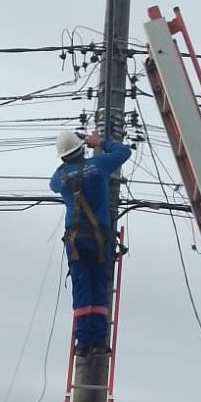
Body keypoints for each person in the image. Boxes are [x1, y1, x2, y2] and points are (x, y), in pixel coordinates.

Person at [50, 126, 131, 355]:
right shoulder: (99, 166)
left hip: (75, 241)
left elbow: (53, 184)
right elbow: (124, 152)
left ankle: (83, 343)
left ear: (63, 156)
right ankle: (98, 342)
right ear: (81, 147)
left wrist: (69, 161)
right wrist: (99, 142)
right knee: (99, 289)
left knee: (83, 290)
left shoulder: (60, 177)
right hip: (99, 239)